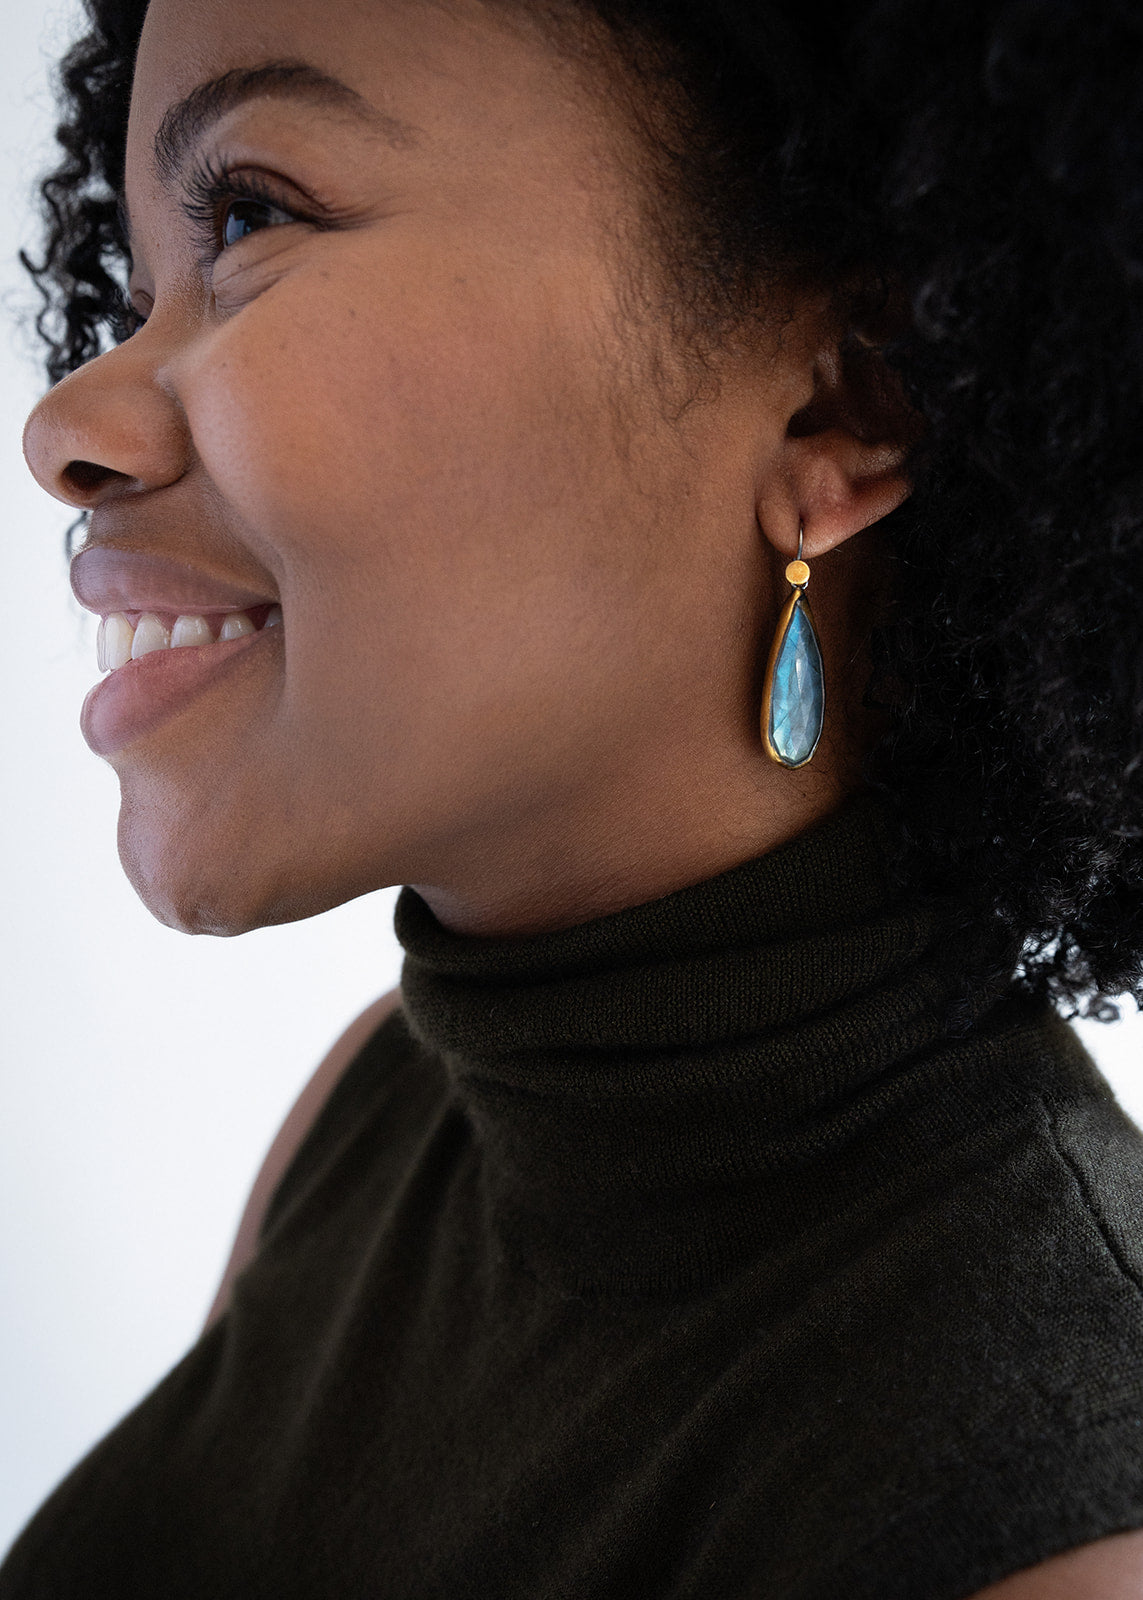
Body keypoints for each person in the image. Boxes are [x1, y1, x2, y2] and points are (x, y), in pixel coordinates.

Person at [3, 0, 1143, 1593]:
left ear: (841, 411)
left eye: (251, 218)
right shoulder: (382, 1110)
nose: (69, 425)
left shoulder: (1043, 1535)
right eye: (129, 289)